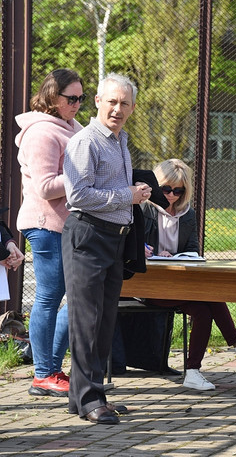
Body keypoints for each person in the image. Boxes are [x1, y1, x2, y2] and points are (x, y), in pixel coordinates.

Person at [63, 73, 152, 425]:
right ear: (97, 101)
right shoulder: (86, 141)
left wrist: (136, 194)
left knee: (102, 322)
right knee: (86, 322)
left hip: (115, 239)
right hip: (87, 236)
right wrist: (125, 196)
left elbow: (106, 188)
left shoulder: (120, 141)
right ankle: (90, 399)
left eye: (125, 103)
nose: (118, 108)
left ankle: (85, 396)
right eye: (112, 101)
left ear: (132, 108)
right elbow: (77, 195)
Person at [141, 158, 236, 391]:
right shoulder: (143, 208)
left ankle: (193, 372)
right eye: (166, 189)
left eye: (178, 191)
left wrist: (179, 257)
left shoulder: (187, 214)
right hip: (150, 285)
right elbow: (130, 243)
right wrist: (151, 252)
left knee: (203, 309)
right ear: (157, 186)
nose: (171, 195)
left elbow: (192, 251)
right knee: (208, 298)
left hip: (179, 283)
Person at [14, 69, 82, 397]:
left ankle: (51, 370)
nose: (77, 104)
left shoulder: (73, 128)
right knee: (49, 298)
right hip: (45, 225)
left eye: (82, 98)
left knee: (77, 298)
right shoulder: (41, 132)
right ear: (53, 97)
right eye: (72, 98)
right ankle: (43, 373)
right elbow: (44, 187)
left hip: (69, 228)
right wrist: (84, 178)